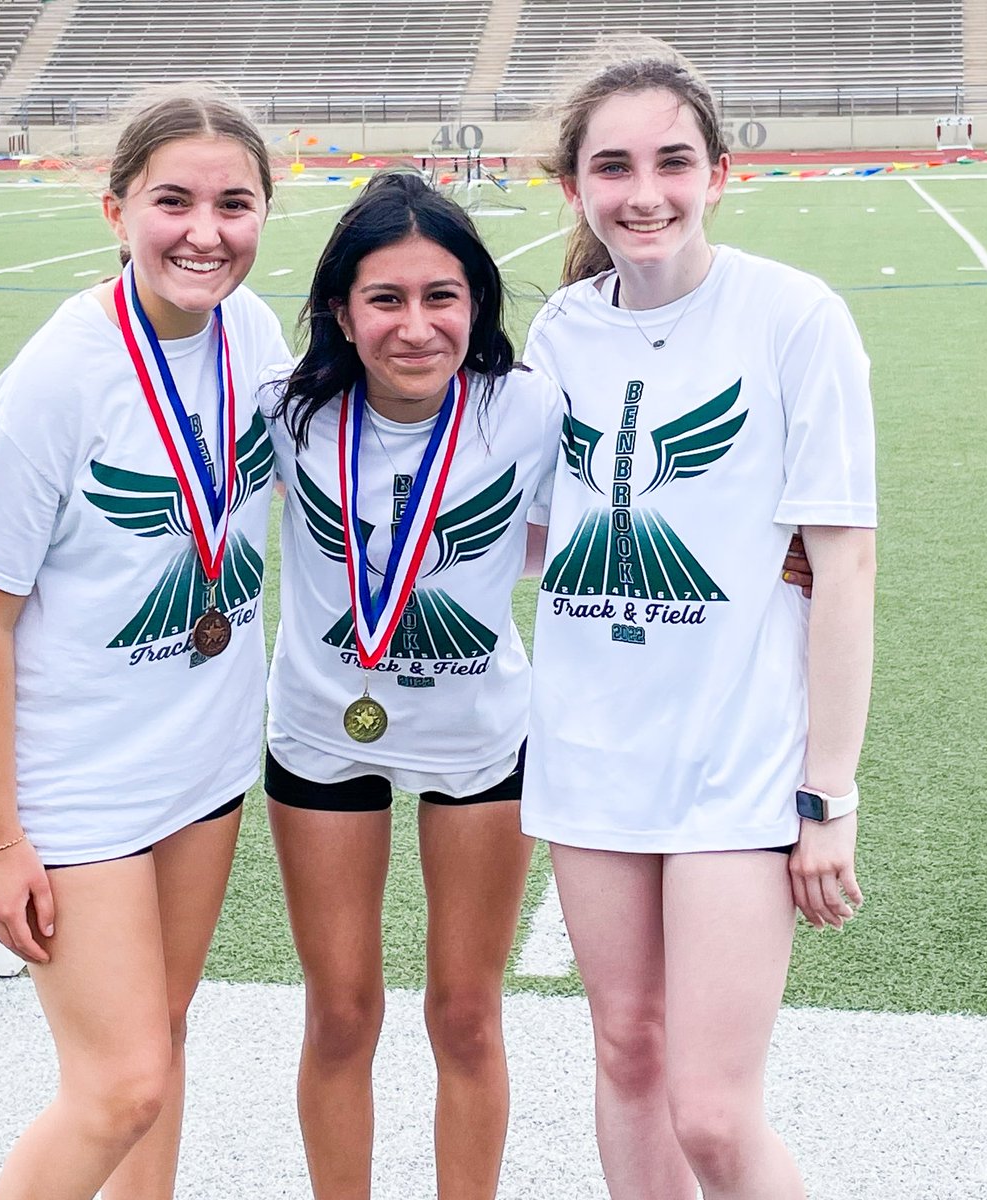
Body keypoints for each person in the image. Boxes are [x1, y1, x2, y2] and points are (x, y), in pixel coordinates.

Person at [520, 41, 877, 1200]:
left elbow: (845, 562)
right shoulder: (561, 331)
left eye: (672, 162)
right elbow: (535, 539)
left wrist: (829, 794)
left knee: (715, 1115)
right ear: (574, 184)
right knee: (625, 1053)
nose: (644, 193)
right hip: (592, 749)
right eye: (612, 166)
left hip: (736, 760)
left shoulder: (793, 317)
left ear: (719, 172)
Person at [0, 86, 287, 1200]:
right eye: (172, 200)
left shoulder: (256, 332)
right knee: (117, 1085)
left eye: (234, 203)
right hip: (80, 781)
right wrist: (0, 841)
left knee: (163, 1040)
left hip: (206, 757)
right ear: (116, 208)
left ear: (265, 211)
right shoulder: (59, 377)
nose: (205, 231)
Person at [261, 170, 564, 1200]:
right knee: (342, 1010)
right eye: (385, 299)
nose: (415, 326)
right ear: (341, 310)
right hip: (319, 732)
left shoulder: (524, 408)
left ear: (476, 303)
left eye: (442, 296)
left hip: (479, 737)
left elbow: (576, 533)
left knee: (466, 1012)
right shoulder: (287, 409)